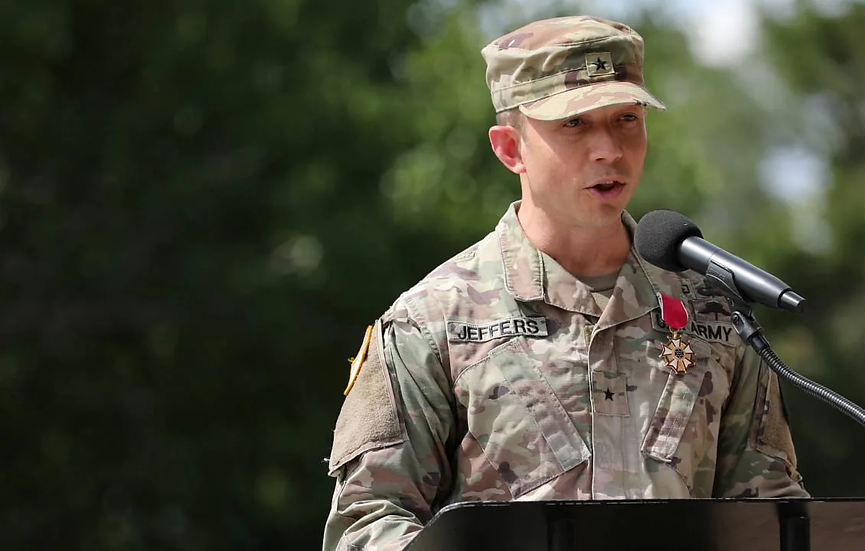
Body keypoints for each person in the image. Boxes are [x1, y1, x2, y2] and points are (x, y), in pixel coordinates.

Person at [322, 14, 808, 551]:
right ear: (510, 149)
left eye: (626, 118)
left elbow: (770, 510)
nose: (609, 150)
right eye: (574, 124)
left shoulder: (714, 313)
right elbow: (367, 523)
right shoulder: (434, 320)